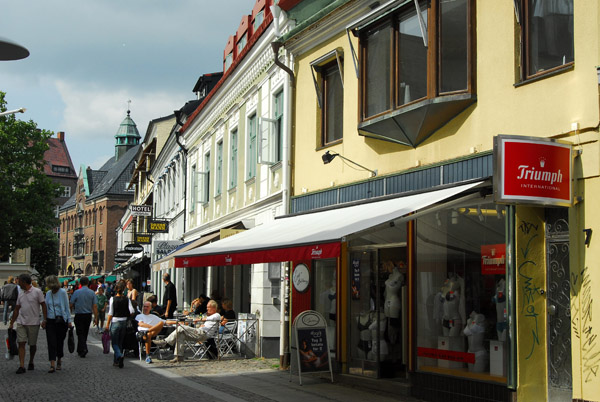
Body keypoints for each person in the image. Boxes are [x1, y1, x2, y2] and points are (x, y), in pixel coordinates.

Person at [154, 300, 221, 363]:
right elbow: (206, 321)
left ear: (214, 308)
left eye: (208, 307)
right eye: (207, 307)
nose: (207, 309)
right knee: (180, 334)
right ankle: (179, 357)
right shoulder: (210, 316)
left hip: (204, 334)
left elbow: (207, 319)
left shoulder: (216, 315)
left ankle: (165, 342)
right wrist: (202, 324)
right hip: (200, 332)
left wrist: (199, 319)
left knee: (181, 327)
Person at [8, 273, 47, 374]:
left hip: (33, 322)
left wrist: (44, 319)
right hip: (21, 322)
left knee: (32, 344)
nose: (18, 283)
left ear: (24, 282)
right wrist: (12, 322)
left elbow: (43, 305)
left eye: (19, 281)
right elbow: (17, 309)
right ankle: (21, 365)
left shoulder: (37, 292)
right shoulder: (20, 293)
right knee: (21, 343)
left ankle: (31, 361)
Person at [44, 275, 72, 373]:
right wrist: (44, 319)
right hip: (50, 320)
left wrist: (69, 320)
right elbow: (45, 308)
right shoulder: (48, 293)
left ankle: (59, 360)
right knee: (51, 342)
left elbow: (67, 307)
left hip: (61, 321)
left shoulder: (63, 292)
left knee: (59, 342)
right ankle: (52, 364)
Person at [104, 282, 135, 368]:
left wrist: (107, 325)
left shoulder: (112, 299)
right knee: (120, 343)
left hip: (115, 322)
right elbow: (132, 311)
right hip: (124, 322)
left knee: (114, 343)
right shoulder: (127, 299)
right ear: (124, 289)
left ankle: (119, 355)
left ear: (116, 290)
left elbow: (110, 313)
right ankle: (117, 361)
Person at [69, 276, 98, 358]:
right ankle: (80, 349)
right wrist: (96, 317)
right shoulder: (92, 292)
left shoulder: (76, 292)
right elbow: (95, 306)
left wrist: (70, 313)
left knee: (80, 333)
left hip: (79, 315)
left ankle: (83, 349)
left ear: (80, 283)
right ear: (88, 283)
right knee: (84, 332)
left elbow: (71, 304)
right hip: (88, 315)